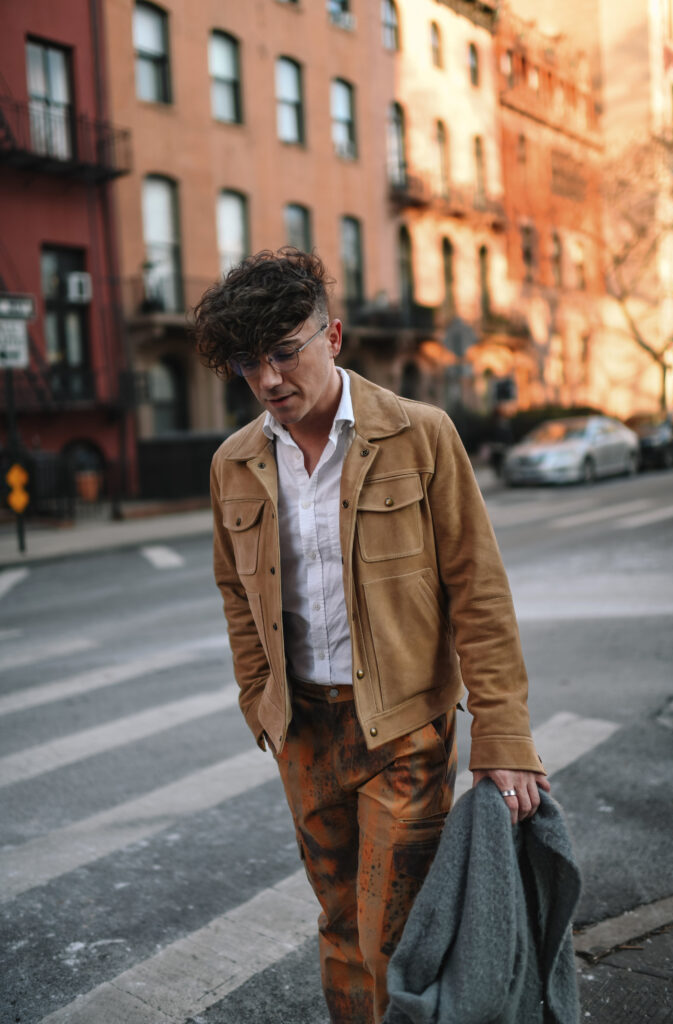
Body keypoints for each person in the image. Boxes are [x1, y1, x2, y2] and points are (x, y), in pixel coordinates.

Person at [192, 248, 549, 1024]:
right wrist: (259, 698)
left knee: (393, 932)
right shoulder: (235, 463)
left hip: (402, 728)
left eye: (285, 352)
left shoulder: (419, 435)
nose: (270, 381)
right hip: (302, 730)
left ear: (334, 337)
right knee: (337, 924)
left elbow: (478, 589)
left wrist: (504, 735)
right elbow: (234, 589)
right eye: (250, 364)